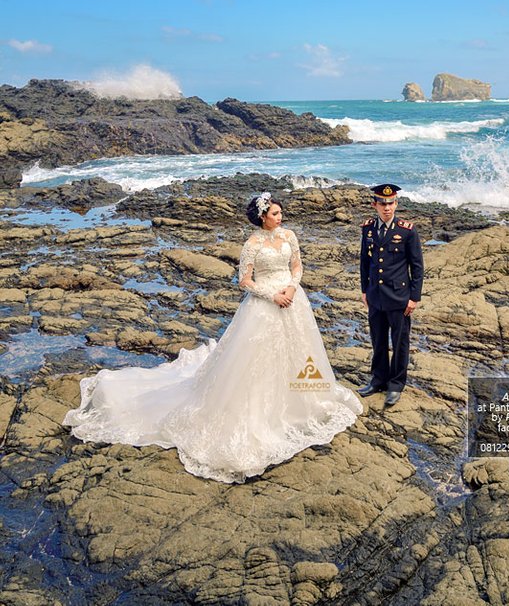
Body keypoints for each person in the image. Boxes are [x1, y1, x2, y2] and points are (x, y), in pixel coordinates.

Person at [63, 191, 362, 483]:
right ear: (262, 218)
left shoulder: (290, 236)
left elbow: (296, 266)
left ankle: (302, 405)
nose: (280, 217)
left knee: (299, 353)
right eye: (275, 214)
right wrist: (272, 295)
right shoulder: (252, 243)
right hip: (264, 307)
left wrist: (292, 288)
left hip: (294, 301)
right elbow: (244, 281)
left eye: (280, 213)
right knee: (255, 363)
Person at [358, 183, 424, 407]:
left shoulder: (407, 230)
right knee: (377, 340)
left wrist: (414, 298)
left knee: (399, 342)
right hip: (375, 295)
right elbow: (364, 262)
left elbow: (417, 266)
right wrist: (364, 290)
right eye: (382, 203)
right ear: (374, 204)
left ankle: (395, 385)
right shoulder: (368, 228)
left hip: (399, 297)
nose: (387, 208)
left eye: (391, 203)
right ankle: (378, 380)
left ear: (396, 204)